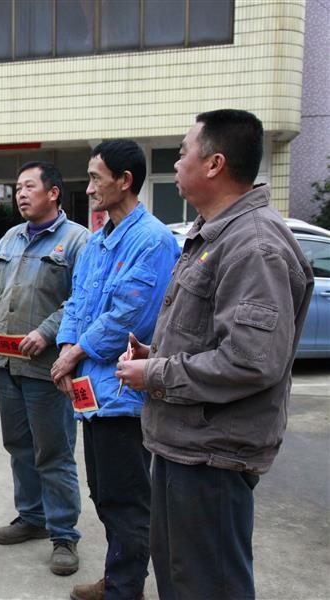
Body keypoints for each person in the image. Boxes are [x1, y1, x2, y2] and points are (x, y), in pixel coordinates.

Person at [116, 109, 314, 600]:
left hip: (214, 456)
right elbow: (211, 337)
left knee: (209, 586)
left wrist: (156, 373)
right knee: (182, 579)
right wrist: (155, 354)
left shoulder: (254, 246)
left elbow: (251, 362)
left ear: (214, 163)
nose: (176, 162)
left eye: (183, 152)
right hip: (185, 443)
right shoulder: (216, 233)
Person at [50, 140, 179, 600]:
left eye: (95, 178)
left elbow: (131, 317)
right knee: (104, 493)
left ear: (125, 181)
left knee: (128, 501)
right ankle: (118, 577)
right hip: (91, 393)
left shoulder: (153, 241)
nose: (88, 189)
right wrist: (66, 348)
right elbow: (76, 302)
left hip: (125, 397)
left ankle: (125, 589)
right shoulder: (97, 243)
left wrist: (75, 353)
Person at [0, 161, 89, 576]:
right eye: (17, 187)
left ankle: (64, 534)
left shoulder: (77, 241)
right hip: (7, 364)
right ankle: (32, 516)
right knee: (19, 446)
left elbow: (81, 300)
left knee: (53, 452)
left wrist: (47, 331)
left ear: (53, 192)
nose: (20, 194)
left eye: (28, 187)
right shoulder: (10, 238)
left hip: (48, 368)